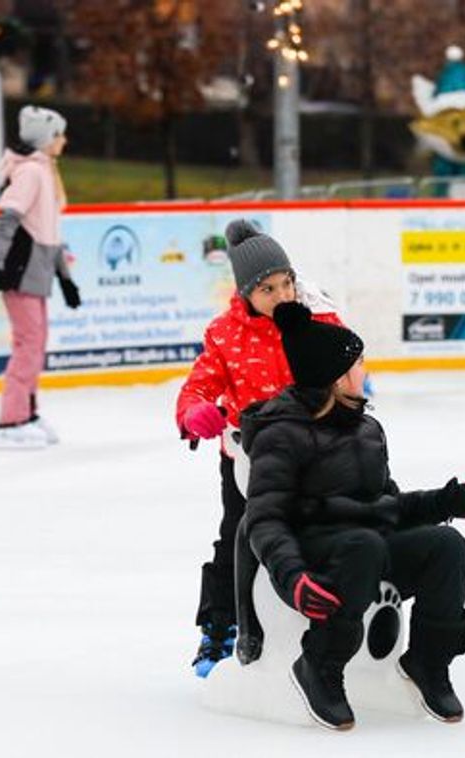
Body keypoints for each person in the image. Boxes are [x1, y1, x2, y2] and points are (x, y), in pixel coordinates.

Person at [241, 301, 465, 729]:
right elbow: (264, 519)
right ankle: (319, 665)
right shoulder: (280, 435)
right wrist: (293, 575)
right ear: (335, 378)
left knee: (447, 546)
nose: (365, 372)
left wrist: (444, 503)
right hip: (313, 560)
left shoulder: (367, 429)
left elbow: (387, 508)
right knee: (365, 545)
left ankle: (428, 663)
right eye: (359, 364)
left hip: (367, 547)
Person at [175, 219, 343, 678]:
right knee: (237, 537)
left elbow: (350, 368)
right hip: (251, 462)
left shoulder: (318, 319)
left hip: (316, 453)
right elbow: (196, 389)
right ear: (246, 292)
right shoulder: (224, 334)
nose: (282, 295)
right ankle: (221, 627)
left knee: (329, 530)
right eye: (268, 289)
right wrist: (195, 414)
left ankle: (333, 622)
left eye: (287, 283)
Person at [0, 106, 80, 450]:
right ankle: (11, 421)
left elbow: (49, 234)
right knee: (28, 345)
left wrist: (65, 279)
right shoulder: (31, 174)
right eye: (59, 134)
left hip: (35, 275)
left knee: (35, 344)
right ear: (45, 138)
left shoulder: (44, 171)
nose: (64, 140)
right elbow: (6, 219)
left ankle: (28, 413)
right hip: (18, 272)